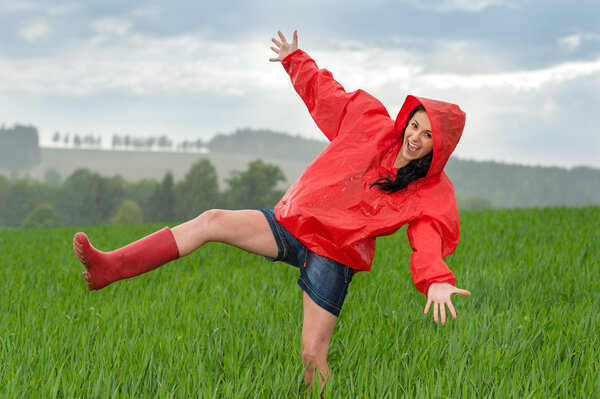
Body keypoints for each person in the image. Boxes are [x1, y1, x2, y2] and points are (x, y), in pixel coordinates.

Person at [73, 30, 471, 388]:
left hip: (334, 257)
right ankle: (111, 266)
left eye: (428, 134)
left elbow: (428, 237)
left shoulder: (430, 190)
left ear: (441, 145)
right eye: (415, 126)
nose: (416, 137)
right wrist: (295, 59)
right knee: (211, 220)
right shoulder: (369, 122)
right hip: (293, 223)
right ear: (406, 120)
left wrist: (435, 279)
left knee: (312, 357)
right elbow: (327, 95)